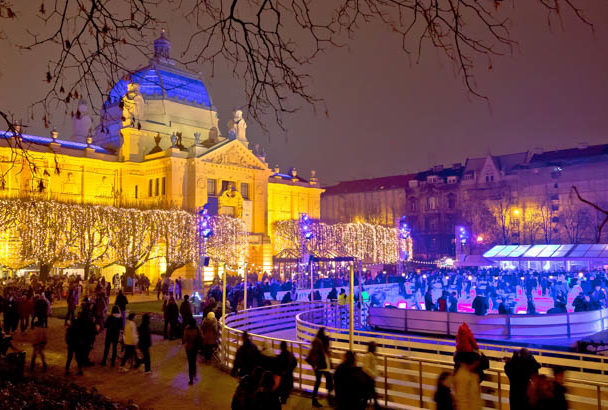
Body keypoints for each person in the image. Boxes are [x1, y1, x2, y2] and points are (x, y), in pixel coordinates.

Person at [306, 327, 333, 407]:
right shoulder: (321, 341)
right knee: (328, 379)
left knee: (319, 382)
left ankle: (315, 400)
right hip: (322, 365)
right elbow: (325, 351)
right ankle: (329, 398)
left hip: (318, 365)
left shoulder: (316, 341)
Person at [182, 317, 202, 385]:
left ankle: (191, 379)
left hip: (189, 348)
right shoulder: (197, 328)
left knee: (190, 362)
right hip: (195, 347)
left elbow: (184, 339)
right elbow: (201, 336)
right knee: (193, 361)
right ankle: (194, 373)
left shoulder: (187, 329)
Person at [360, 341, 380, 409]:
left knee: (368, 396)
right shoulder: (369, 356)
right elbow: (365, 368)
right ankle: (376, 406)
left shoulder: (371, 355)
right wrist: (373, 374)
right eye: (375, 346)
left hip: (370, 378)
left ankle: (375, 405)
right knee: (371, 395)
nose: (376, 348)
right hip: (368, 379)